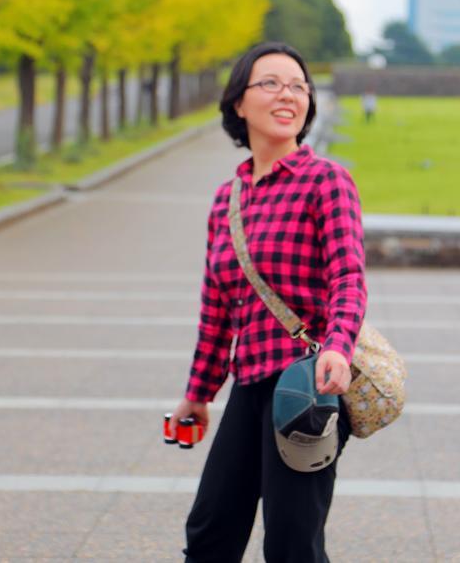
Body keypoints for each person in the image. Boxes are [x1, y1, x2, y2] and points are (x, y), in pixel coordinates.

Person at [174, 41, 367, 563]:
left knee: (291, 545)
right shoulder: (227, 198)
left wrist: (338, 346)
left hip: (307, 388)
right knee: (210, 532)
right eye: (272, 83)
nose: (289, 95)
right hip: (250, 382)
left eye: (299, 86)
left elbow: (349, 275)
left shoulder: (326, 180)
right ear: (239, 102)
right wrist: (198, 394)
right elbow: (217, 312)